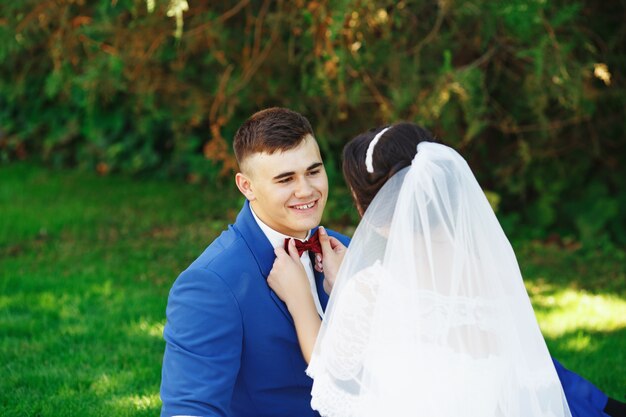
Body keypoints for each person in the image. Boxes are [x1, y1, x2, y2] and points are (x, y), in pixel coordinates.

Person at [268, 122, 625, 417]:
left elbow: (331, 370)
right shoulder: (490, 267)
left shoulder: (373, 287)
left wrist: (301, 299)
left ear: (373, 214)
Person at [159, 107, 349, 417]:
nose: (307, 190)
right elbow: (190, 409)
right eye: (285, 179)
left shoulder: (348, 252)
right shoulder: (211, 283)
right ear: (246, 186)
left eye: (313, 171)